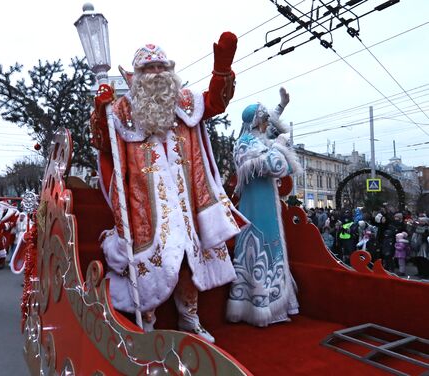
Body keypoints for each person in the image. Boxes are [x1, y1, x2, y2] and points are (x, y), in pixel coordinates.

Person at [90, 32, 247, 343]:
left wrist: (222, 69)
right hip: (144, 205)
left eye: (162, 67)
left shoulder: (186, 101)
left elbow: (215, 102)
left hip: (186, 201)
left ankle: (189, 317)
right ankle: (145, 319)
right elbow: (103, 143)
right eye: (149, 70)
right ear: (135, 76)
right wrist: (100, 109)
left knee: (188, 258)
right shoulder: (122, 110)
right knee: (150, 261)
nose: (157, 74)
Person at [226, 88, 302, 327]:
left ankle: (276, 305)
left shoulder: (257, 139)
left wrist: (282, 105)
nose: (268, 123)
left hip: (265, 202)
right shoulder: (245, 143)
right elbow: (275, 164)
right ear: (257, 122)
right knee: (261, 245)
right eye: (265, 119)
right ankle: (259, 307)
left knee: (272, 245)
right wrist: (279, 146)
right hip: (256, 205)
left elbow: (271, 133)